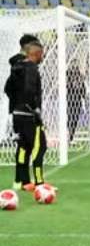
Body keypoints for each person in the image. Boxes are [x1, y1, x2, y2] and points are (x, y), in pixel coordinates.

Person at [5, 34, 46, 192]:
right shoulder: (30, 68)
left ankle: (20, 181)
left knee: (23, 147)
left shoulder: (16, 66)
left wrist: (17, 105)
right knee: (39, 147)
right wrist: (33, 108)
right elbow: (30, 91)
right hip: (29, 114)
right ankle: (40, 183)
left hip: (17, 113)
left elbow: (7, 89)